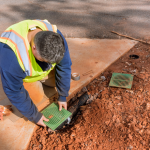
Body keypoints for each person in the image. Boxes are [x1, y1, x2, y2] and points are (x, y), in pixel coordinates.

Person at [0, 19, 72, 127]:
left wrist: (63, 95)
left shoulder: (56, 37)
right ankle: (34, 83)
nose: (48, 64)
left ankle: (44, 78)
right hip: (25, 76)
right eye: (44, 60)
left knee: (57, 83)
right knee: (35, 98)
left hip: (38, 71)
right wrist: (35, 116)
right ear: (34, 47)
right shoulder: (10, 56)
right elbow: (14, 91)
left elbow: (64, 66)